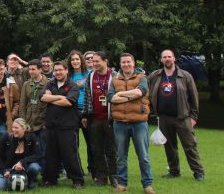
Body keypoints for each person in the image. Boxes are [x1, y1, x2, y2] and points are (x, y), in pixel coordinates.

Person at [148, 49, 205, 181]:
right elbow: (146, 91)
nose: (167, 59)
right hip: (163, 118)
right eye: (164, 57)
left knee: (190, 146)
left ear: (174, 58)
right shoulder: (155, 75)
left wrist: (194, 116)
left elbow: (194, 97)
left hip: (182, 117)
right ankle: (174, 171)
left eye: (169, 56)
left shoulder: (185, 76)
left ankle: (198, 172)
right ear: (161, 60)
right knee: (169, 146)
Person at [108, 53, 154, 194]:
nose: (126, 64)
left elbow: (141, 92)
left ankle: (147, 185)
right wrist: (130, 95)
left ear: (133, 63)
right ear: (120, 64)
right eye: (123, 62)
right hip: (120, 123)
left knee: (143, 156)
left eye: (128, 62)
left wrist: (120, 95)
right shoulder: (114, 79)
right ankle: (122, 184)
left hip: (139, 123)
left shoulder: (142, 77)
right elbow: (110, 97)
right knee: (121, 156)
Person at [40, 61, 85, 189]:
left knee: (70, 155)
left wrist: (51, 98)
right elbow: (42, 97)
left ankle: (77, 180)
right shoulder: (50, 83)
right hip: (51, 126)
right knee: (51, 155)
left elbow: (68, 102)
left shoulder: (72, 85)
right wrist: (60, 97)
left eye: (60, 70)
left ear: (66, 71)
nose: (58, 72)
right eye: (56, 70)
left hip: (67, 126)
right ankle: (50, 180)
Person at [81, 50, 117, 186]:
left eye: (97, 61)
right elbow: (87, 96)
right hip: (95, 118)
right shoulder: (90, 76)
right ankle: (102, 177)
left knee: (112, 150)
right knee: (97, 149)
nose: (94, 64)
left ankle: (114, 176)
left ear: (105, 61)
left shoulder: (114, 75)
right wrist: (85, 115)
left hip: (110, 118)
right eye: (93, 61)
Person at [0, 118, 43, 191]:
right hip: (8, 169)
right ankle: (10, 181)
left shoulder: (31, 137)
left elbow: (38, 154)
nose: (13, 130)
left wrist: (21, 162)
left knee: (35, 167)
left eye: (16, 128)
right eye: (13, 127)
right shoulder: (6, 137)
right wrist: (4, 171)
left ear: (24, 129)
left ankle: (29, 181)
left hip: (25, 168)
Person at [67, 49, 93, 179]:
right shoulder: (68, 75)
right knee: (73, 144)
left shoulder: (89, 73)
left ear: (81, 60)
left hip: (87, 111)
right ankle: (77, 172)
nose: (75, 61)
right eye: (72, 59)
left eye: (77, 59)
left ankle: (93, 170)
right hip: (72, 111)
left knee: (91, 142)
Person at [18, 59, 48, 168]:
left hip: (42, 123)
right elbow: (22, 104)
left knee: (44, 149)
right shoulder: (26, 84)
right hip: (29, 123)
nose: (31, 72)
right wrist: (23, 123)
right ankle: (32, 171)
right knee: (31, 149)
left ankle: (45, 173)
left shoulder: (48, 83)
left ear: (40, 70)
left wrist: (47, 122)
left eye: (33, 69)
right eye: (29, 69)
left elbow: (50, 106)